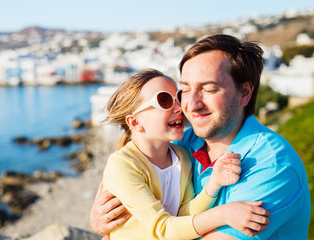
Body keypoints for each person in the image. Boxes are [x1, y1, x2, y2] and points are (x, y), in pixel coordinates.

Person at [90, 34, 311, 239]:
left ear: (245, 93)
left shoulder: (271, 166)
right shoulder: (182, 144)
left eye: (209, 89)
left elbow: (175, 220)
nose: (190, 105)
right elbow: (128, 173)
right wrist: (104, 219)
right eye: (185, 90)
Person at [97, 68, 269, 240]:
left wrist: (213, 184)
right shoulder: (122, 165)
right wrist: (222, 214)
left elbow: (184, 213)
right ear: (135, 122)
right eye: (164, 101)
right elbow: (163, 228)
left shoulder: (182, 157)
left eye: (178, 98)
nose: (180, 108)